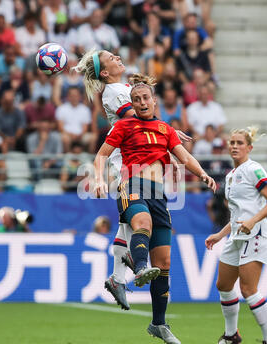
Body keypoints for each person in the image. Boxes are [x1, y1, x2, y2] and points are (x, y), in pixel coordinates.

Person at [93, 79, 216, 344]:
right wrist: (100, 178)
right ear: (132, 104)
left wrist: (203, 173)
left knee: (164, 264)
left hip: (159, 195)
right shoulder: (124, 125)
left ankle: (158, 324)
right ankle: (138, 268)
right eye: (136, 99)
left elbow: (184, 157)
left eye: (145, 98)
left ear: (153, 100)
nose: (142, 102)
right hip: (131, 185)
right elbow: (102, 155)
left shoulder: (165, 128)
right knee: (142, 223)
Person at [73, 48, 191, 311]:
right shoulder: (114, 92)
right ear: (104, 72)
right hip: (129, 161)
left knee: (127, 225)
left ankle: (117, 278)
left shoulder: (122, 87)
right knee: (134, 221)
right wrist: (166, 135)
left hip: (137, 160)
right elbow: (137, 122)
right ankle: (128, 268)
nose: (116, 56)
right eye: (110, 58)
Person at [205, 126, 267, 344]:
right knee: (223, 285)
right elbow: (238, 214)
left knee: (248, 289)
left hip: (256, 235)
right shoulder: (229, 176)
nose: (235, 146)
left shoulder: (254, 169)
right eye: (232, 142)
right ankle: (231, 335)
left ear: (249, 148)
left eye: (240, 143)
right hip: (236, 235)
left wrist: (254, 221)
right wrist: (220, 234)